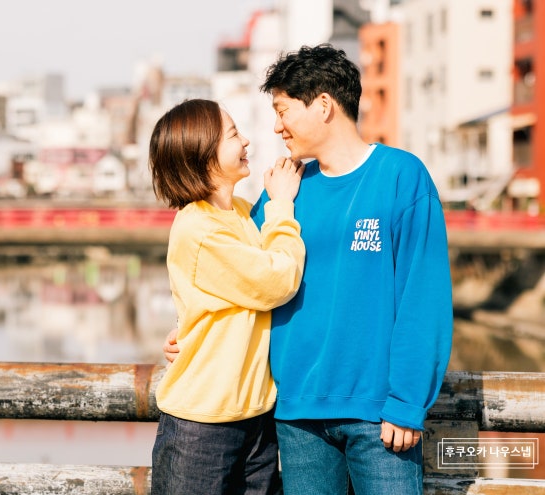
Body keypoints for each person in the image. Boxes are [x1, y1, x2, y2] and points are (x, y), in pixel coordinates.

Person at [164, 44, 453, 494]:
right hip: (296, 417)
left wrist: (407, 401)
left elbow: (424, 296)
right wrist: (190, 328)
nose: (276, 127)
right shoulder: (285, 191)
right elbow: (239, 275)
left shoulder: (402, 176)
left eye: (282, 111)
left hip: (379, 414)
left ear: (322, 105)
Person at [149, 98, 306, 495]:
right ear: (203, 155)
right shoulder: (198, 229)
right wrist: (281, 205)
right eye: (234, 134)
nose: (246, 141)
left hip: (255, 416)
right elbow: (278, 280)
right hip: (202, 423)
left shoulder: (240, 212)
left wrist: (187, 329)